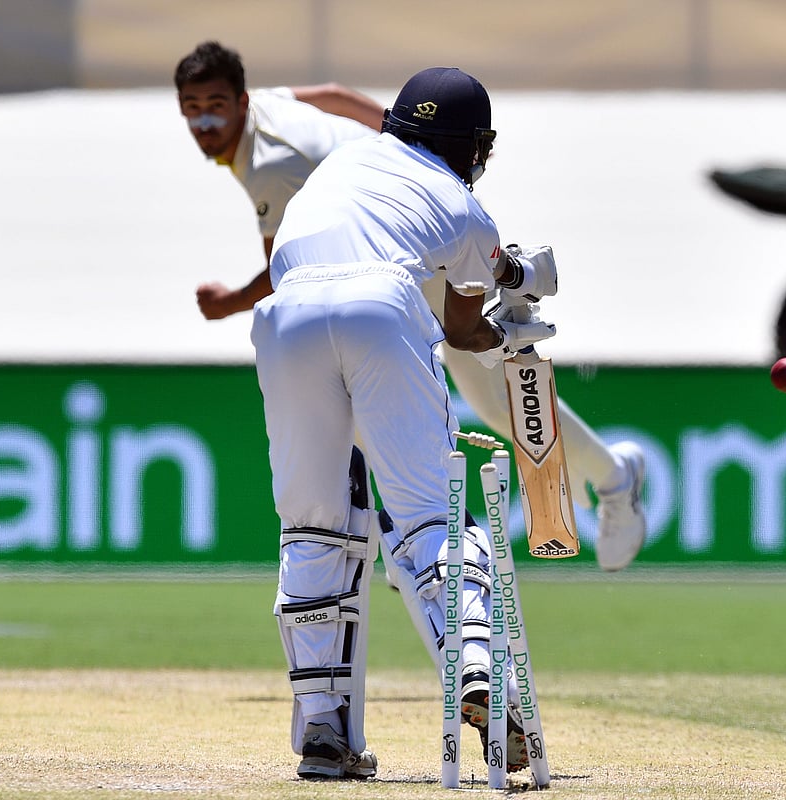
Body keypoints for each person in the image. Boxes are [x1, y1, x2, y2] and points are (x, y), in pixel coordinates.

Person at [175, 41, 648, 575]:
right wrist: (403, 142)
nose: (204, 121)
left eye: (214, 105)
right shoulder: (270, 104)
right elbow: (332, 96)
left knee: (448, 397)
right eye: (191, 109)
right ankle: (602, 478)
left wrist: (229, 302)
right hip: (406, 238)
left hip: (399, 254)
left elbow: (291, 277)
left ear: (239, 100)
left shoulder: (272, 165)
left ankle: (599, 482)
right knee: (426, 400)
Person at [252, 64, 561, 779]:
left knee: (312, 525)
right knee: (428, 517)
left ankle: (324, 730)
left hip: (287, 313)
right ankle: (482, 677)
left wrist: (480, 328)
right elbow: (468, 319)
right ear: (472, 145)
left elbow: (459, 326)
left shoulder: (347, 158)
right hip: (381, 303)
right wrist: (511, 317)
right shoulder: (461, 204)